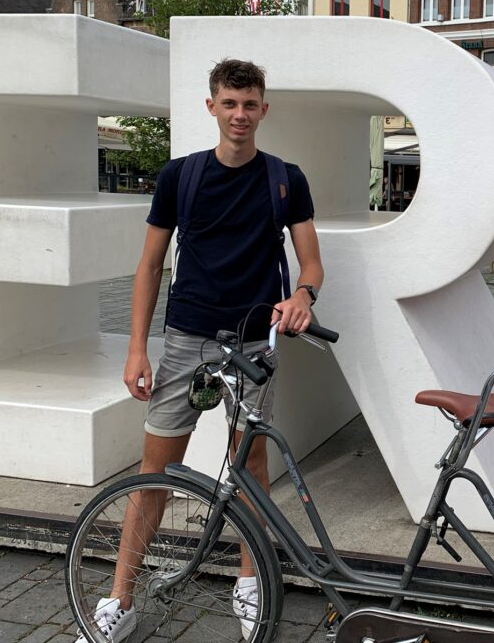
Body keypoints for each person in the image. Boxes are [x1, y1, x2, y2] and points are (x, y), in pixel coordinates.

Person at [78, 59, 324, 642]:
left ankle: (248, 581)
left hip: (252, 343)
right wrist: (138, 348)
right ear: (211, 107)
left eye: (250, 104)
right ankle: (121, 597)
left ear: (264, 109)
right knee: (154, 471)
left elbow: (310, 261)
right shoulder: (180, 177)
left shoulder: (285, 179)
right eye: (230, 103)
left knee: (252, 467)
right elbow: (149, 266)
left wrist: (304, 296)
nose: (240, 114)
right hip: (187, 338)